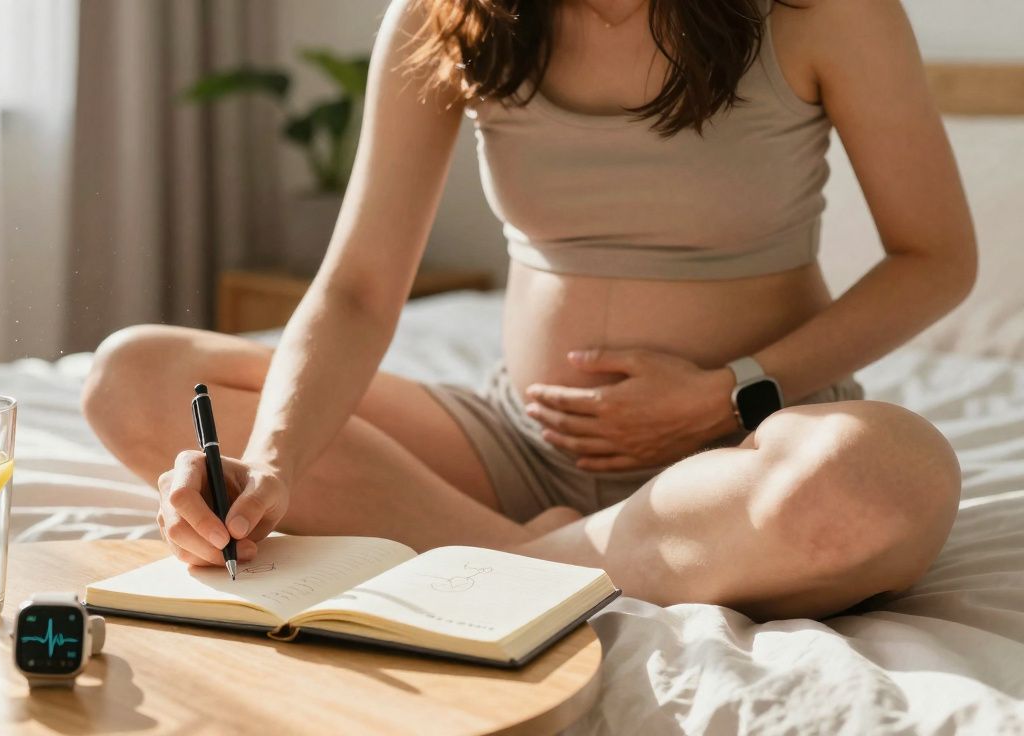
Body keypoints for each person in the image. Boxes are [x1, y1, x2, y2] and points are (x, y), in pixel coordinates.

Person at [82, 0, 975, 620]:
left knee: (877, 482)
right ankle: (533, 555)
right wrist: (272, 465)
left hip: (744, 455)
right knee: (134, 375)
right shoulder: (451, 18)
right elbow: (356, 291)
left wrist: (727, 391)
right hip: (520, 447)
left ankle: (513, 566)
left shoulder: (819, 14)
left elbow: (936, 259)